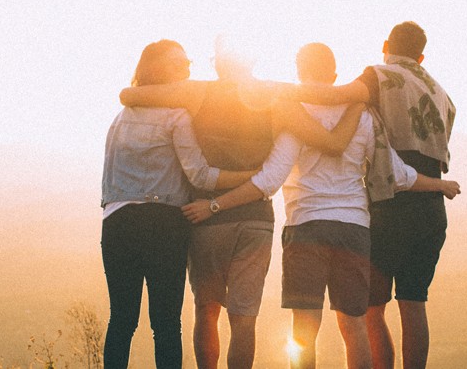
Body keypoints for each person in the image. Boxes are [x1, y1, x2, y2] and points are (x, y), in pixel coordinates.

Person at [183, 43, 460, 369]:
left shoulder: (294, 113)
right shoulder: (363, 115)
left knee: (304, 329)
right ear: (335, 73)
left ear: (299, 71)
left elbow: (270, 180)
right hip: (354, 229)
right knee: (354, 326)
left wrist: (216, 205)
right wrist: (439, 184)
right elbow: (396, 174)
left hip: (306, 227)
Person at [119, 39, 364, 369]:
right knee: (243, 320)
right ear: (252, 59)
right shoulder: (276, 96)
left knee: (206, 311)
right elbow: (332, 139)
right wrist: (363, 96)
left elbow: (128, 95)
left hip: (206, 218)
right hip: (256, 221)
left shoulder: (196, 92)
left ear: (218, 62)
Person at [282, 23, 456, 368]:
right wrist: (438, 185)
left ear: (385, 45)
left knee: (371, 311)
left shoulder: (379, 76)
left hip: (388, 204)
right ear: (421, 56)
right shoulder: (441, 94)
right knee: (414, 302)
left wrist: (274, 92)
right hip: (430, 205)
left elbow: (334, 97)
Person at [100, 40, 259, 368]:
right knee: (167, 324)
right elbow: (200, 175)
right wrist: (249, 176)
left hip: (116, 222)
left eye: (188, 60)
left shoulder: (120, 118)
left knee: (121, 320)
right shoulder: (177, 115)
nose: (187, 67)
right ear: (159, 70)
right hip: (163, 223)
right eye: (179, 63)